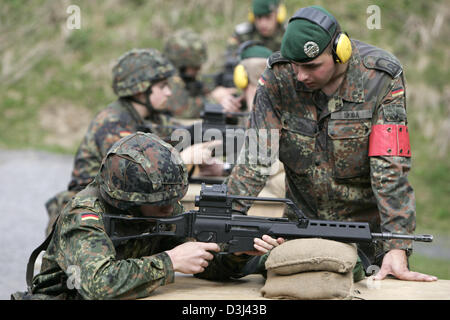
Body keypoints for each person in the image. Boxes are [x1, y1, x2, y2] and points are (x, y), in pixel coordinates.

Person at [225, 5, 437, 282]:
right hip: (299, 232)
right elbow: (254, 160)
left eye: (312, 66)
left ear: (340, 52)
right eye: (295, 65)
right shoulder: (278, 78)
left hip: (366, 238)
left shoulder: (381, 79)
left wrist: (397, 246)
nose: (300, 75)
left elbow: (389, 170)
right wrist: (224, 222)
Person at [13, 132, 283, 300]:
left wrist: (237, 253)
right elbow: (97, 286)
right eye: (161, 203)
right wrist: (170, 261)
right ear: (127, 201)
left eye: (172, 200)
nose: (171, 208)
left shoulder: (160, 211)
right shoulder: (84, 217)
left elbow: (204, 264)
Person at [44, 48, 221, 236]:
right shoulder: (113, 124)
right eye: (162, 86)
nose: (169, 92)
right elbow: (135, 173)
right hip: (93, 211)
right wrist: (182, 159)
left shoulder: (147, 116)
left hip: (124, 206)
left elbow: (179, 133)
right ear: (140, 90)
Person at [163, 29, 241, 118]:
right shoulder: (167, 80)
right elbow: (183, 110)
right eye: (194, 66)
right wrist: (214, 99)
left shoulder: (187, 79)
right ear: (180, 65)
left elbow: (201, 87)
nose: (199, 69)